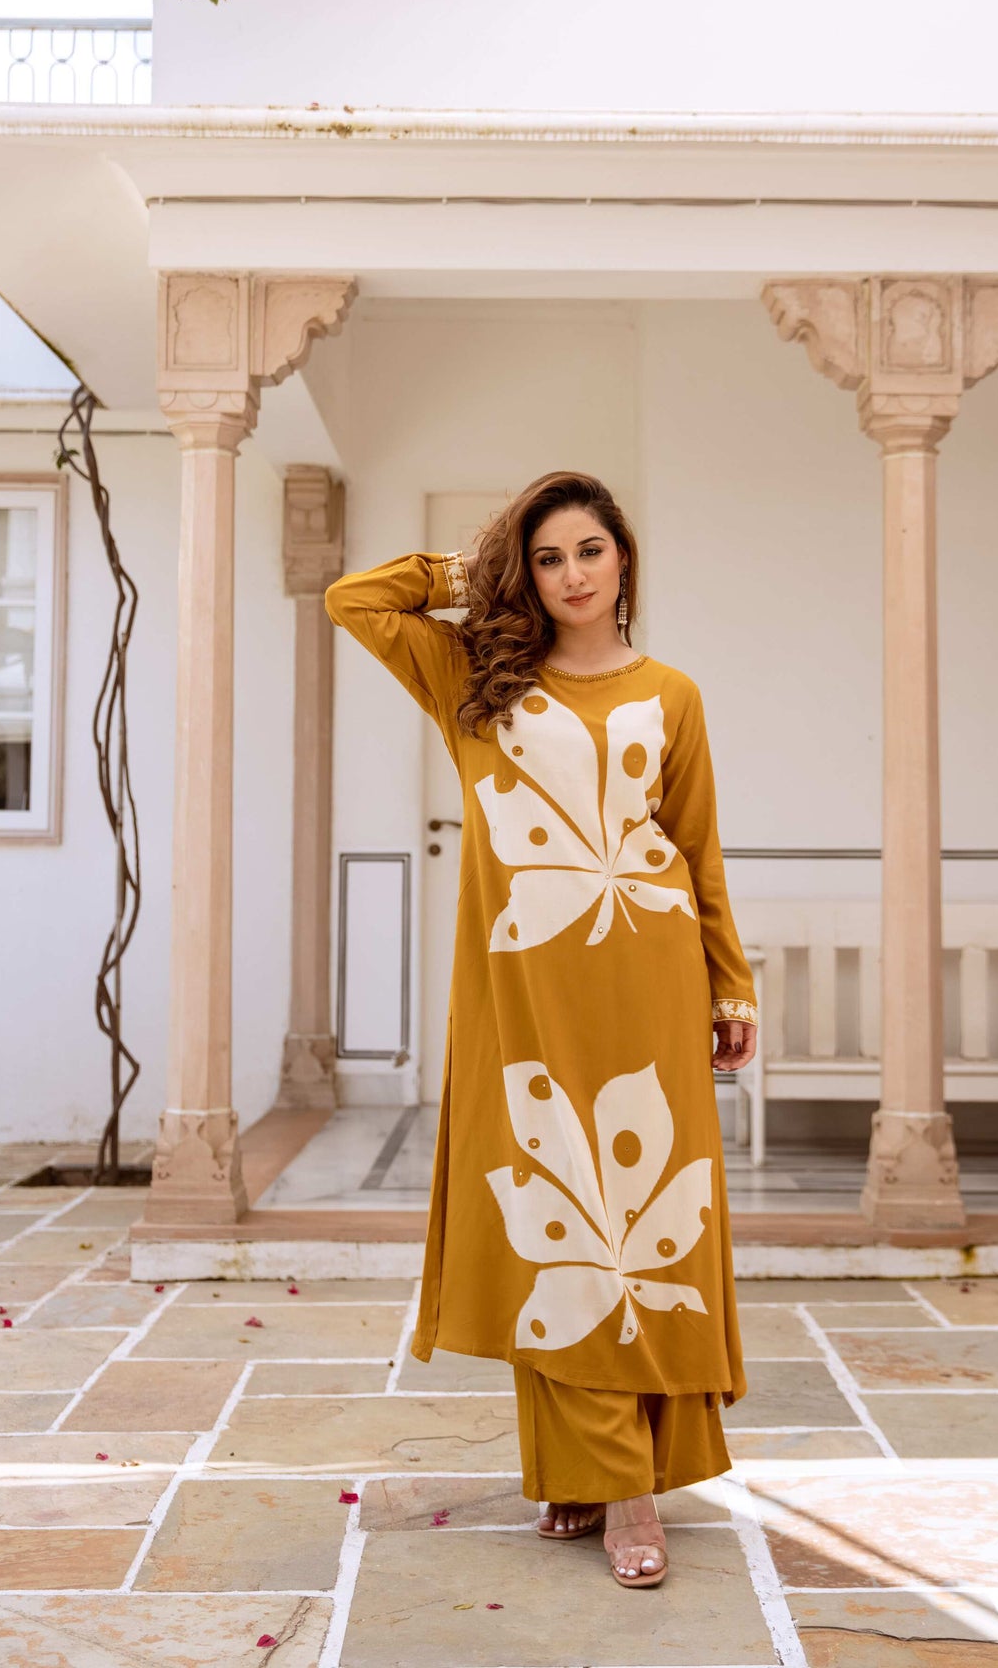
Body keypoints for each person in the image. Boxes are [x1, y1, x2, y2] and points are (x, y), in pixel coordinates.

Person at [325, 471, 758, 1589]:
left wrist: (729, 987)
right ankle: (596, 1470)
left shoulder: (672, 694)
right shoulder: (476, 680)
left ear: (624, 559)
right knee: (554, 1216)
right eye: (549, 556)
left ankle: (616, 1481)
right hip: (523, 989)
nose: (572, 575)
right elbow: (353, 601)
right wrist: (477, 571)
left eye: (588, 551)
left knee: (641, 1217)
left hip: (648, 978)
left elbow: (695, 850)